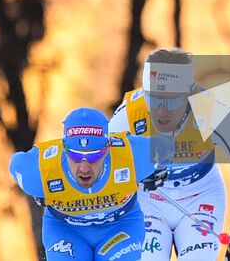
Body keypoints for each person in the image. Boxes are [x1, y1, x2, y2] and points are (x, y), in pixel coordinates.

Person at [109, 48, 230, 260]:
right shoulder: (127, 116)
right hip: (148, 200)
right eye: (154, 99)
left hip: (201, 195)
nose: (161, 112)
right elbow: (101, 167)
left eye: (172, 101)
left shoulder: (213, 112)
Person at [10, 106, 164, 261]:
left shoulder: (132, 154)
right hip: (67, 230)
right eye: (75, 155)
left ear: (108, 147)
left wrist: (161, 170)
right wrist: (37, 190)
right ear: (64, 148)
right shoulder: (39, 170)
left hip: (120, 227)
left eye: (94, 156)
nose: (84, 168)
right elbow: (14, 165)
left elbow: (175, 148)